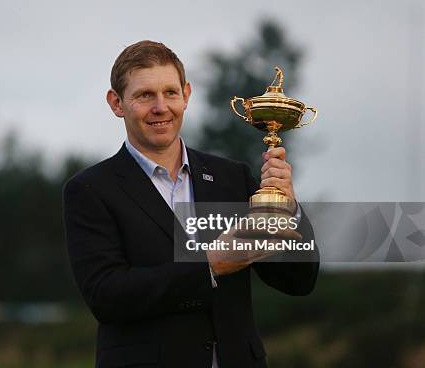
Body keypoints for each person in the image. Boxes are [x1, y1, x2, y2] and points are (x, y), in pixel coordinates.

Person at [63, 40, 319, 368]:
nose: (161, 107)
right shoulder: (90, 190)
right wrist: (210, 265)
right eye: (145, 95)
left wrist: (290, 208)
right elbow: (107, 296)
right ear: (117, 103)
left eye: (170, 93)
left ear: (186, 95)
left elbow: (298, 281)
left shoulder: (232, 179)